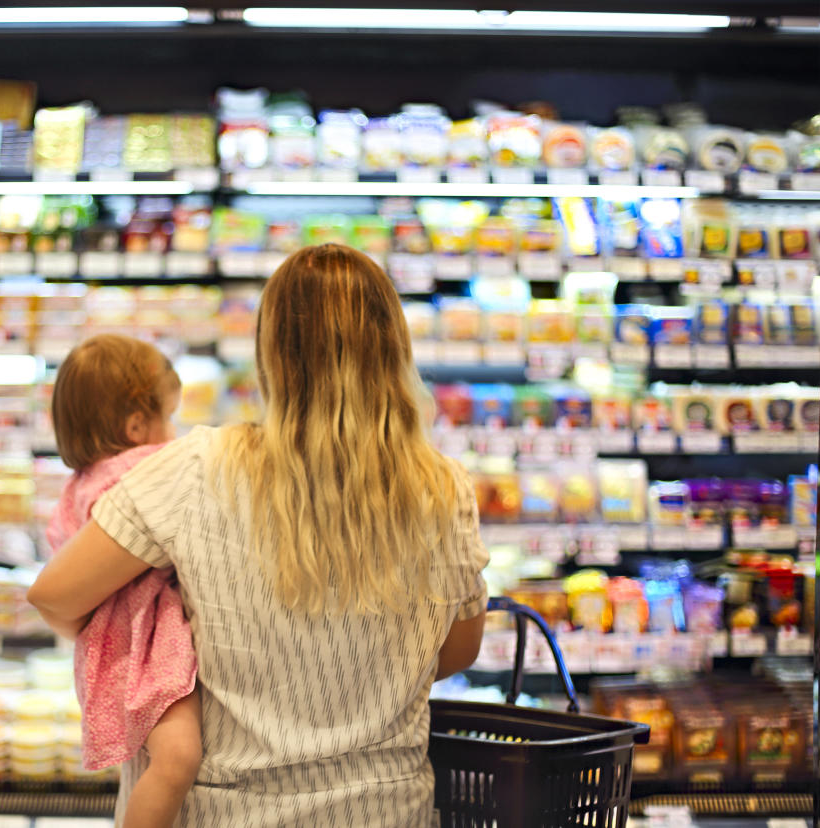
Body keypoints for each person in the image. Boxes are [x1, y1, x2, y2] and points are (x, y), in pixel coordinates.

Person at [29, 243, 489, 827]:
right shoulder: (444, 488)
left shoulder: (196, 468)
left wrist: (139, 642)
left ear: (272, 354)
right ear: (394, 348)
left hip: (227, 810)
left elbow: (54, 595)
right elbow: (457, 651)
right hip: (386, 810)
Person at [42, 333, 201, 828]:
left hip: (117, 644)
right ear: (136, 426)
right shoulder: (138, 473)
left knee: (155, 762)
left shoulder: (82, 482)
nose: (174, 434)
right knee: (178, 758)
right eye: (168, 419)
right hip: (145, 645)